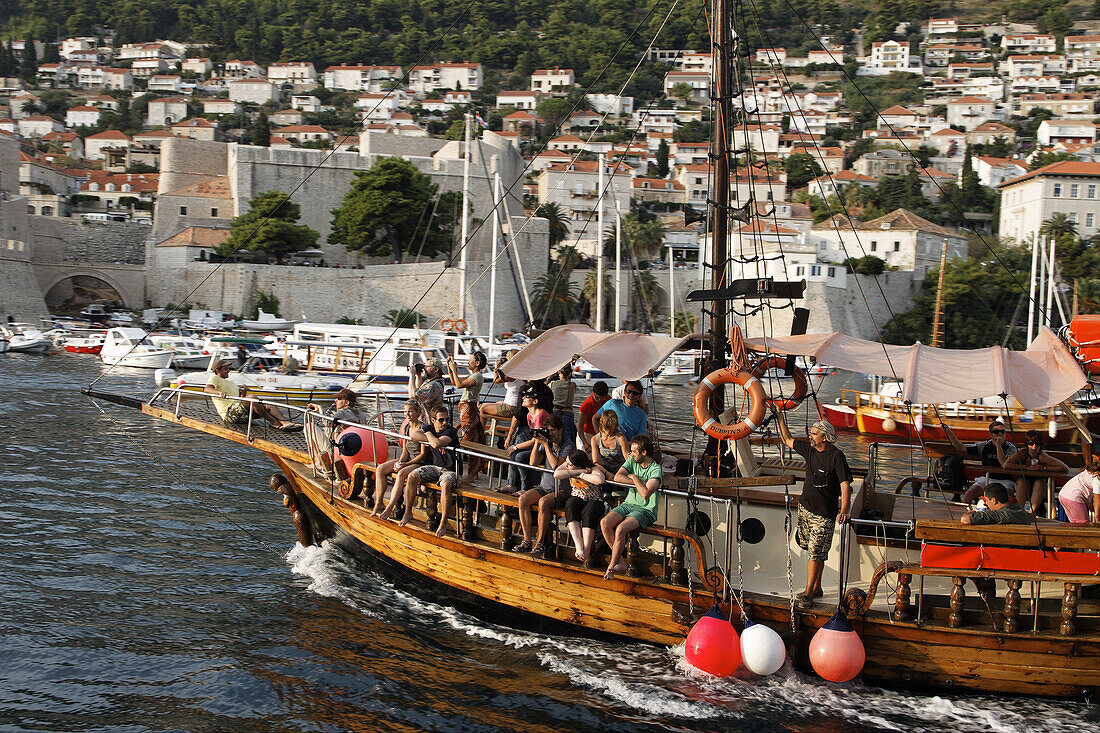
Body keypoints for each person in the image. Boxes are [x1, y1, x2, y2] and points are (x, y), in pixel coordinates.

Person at [775, 413, 852, 606]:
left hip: (824, 514)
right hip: (805, 509)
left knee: (816, 552)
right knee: (813, 550)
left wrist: (844, 510)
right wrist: (780, 417)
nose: (811, 436)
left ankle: (808, 593)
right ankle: (816, 587)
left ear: (825, 437)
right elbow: (787, 439)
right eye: (811, 433)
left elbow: (844, 485)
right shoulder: (809, 450)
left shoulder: (836, 457)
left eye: (815, 434)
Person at [387, 406, 461, 534]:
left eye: (447, 419)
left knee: (445, 484)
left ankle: (443, 521)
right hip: (435, 467)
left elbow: (437, 444)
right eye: (441, 420)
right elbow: (414, 435)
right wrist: (430, 435)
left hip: (450, 469)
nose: (445, 422)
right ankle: (408, 511)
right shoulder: (429, 429)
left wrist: (428, 435)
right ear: (433, 420)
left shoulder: (451, 431)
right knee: (412, 476)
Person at [601, 435, 663, 580]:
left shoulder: (655, 469)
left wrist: (634, 478)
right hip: (629, 504)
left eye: (634, 451)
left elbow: (645, 494)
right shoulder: (632, 460)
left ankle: (611, 566)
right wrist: (637, 480)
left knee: (621, 529)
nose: (631, 454)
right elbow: (617, 477)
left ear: (644, 453)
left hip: (646, 509)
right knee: (605, 523)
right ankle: (620, 562)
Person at [512, 415, 569, 557]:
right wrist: (537, 443)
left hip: (561, 489)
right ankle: (526, 540)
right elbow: (533, 463)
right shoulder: (546, 444)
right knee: (523, 499)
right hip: (545, 486)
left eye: (553, 430)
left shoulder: (568, 445)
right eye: (548, 430)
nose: (550, 434)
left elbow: (557, 465)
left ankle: (540, 542)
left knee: (543, 502)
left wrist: (545, 445)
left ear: (560, 430)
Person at [369, 401, 428, 517]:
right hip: (408, 459)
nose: (407, 414)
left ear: (417, 412)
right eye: (405, 411)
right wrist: (401, 462)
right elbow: (405, 451)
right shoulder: (406, 427)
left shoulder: (423, 428)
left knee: (401, 474)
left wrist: (405, 465)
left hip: (419, 462)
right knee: (380, 469)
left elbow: (423, 455)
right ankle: (379, 502)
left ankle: (390, 507)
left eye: (410, 411)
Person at [203, 359, 299, 430]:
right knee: (252, 397)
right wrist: (219, 392)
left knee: (270, 405)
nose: (228, 370)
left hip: (239, 411)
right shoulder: (214, 378)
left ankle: (285, 423)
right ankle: (274, 423)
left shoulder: (231, 383)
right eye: (225, 369)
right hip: (229, 414)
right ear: (218, 371)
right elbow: (207, 389)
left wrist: (243, 392)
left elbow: (242, 400)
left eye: (228, 368)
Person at [557, 450, 611, 563]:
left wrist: (582, 474)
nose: (566, 465)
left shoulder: (593, 468)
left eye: (570, 465)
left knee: (590, 510)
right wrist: (577, 471)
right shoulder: (569, 466)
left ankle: (586, 549)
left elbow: (599, 480)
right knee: (570, 504)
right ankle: (578, 546)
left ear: (579, 464)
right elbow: (557, 474)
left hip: (594, 500)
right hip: (577, 498)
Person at [947, 421, 1018, 505]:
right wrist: (949, 432)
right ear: (990, 434)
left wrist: (998, 446)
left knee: (1007, 499)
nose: (1000, 434)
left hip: (1005, 480)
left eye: (1002, 432)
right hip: (987, 478)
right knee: (968, 495)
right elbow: (961, 447)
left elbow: (1004, 463)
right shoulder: (985, 445)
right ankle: (968, 515)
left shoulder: (1011, 448)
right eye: (996, 432)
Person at [1001, 430, 1068, 514]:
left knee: (1039, 483)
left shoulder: (1042, 456)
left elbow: (1064, 467)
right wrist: (1026, 467)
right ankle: (1019, 511)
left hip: (1040, 486)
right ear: (1027, 444)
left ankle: (1031, 513)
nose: (1034, 447)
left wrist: (1043, 468)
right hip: (1024, 483)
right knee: (1022, 482)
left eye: (1037, 444)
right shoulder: (1022, 453)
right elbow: (1006, 465)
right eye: (1031, 444)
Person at [447, 351, 488, 480]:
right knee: (470, 438)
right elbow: (456, 382)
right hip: (466, 408)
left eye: (471, 360)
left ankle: (472, 473)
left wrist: (454, 370)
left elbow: (459, 385)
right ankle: (473, 471)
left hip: (469, 409)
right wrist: (450, 369)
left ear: (477, 363)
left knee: (469, 439)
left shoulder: (477, 376)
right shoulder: (474, 376)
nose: (468, 362)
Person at [503, 388, 551, 494]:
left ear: (535, 401)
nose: (523, 398)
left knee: (519, 455)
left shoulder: (540, 416)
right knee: (514, 453)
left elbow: (537, 440)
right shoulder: (529, 415)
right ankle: (512, 484)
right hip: (537, 445)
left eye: (527, 396)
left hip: (545, 448)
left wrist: (516, 446)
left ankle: (525, 487)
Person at [304, 388, 362, 474]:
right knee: (330, 429)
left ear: (347, 403)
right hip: (352, 452)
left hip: (336, 453)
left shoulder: (342, 412)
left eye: (339, 399)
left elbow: (327, 422)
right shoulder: (360, 415)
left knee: (309, 426)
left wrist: (320, 408)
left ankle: (319, 463)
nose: (335, 401)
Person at [481, 350, 525, 430]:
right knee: (498, 402)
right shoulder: (521, 371)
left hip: (511, 407)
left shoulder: (513, 374)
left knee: (482, 407)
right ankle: (491, 429)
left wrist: (497, 367)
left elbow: (495, 380)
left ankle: (480, 432)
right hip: (516, 405)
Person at [961, 482, 1034, 525]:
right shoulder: (1018, 508)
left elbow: (965, 520)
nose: (986, 503)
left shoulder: (999, 515)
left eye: (986, 500)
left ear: (993, 500)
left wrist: (969, 513)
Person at [1058, 459, 1100, 524]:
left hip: (1064, 494)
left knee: (1075, 524)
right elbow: (1098, 501)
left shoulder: (1093, 470)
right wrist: (1098, 518)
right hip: (1074, 498)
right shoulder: (1097, 479)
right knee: (1084, 525)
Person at [590, 409, 628, 475]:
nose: (610, 431)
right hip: (603, 470)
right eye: (607, 427)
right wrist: (607, 473)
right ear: (601, 422)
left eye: (612, 428)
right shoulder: (595, 439)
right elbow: (595, 462)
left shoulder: (620, 438)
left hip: (619, 470)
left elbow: (628, 460)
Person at [549, 365, 577, 447]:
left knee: (553, 436)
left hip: (555, 412)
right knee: (568, 436)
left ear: (558, 372)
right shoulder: (572, 385)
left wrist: (549, 378)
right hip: (568, 413)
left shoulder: (553, 384)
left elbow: (544, 388)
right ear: (569, 373)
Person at [578, 381, 612, 446]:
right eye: (597, 397)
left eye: (602, 398)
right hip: (586, 434)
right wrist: (584, 443)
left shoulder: (608, 399)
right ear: (593, 393)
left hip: (601, 433)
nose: (599, 400)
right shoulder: (587, 405)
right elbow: (580, 426)